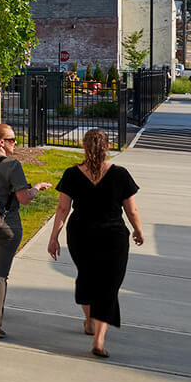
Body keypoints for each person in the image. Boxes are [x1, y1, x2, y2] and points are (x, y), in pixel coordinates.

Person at [47, 127, 143, 358]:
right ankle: (98, 339)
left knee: (88, 279)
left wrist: (54, 237)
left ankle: (90, 321)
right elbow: (131, 209)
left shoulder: (72, 174)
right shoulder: (120, 174)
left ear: (83, 146)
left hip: (81, 234)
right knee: (108, 286)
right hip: (113, 236)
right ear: (107, 147)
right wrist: (138, 229)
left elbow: (63, 209)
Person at [0, 122, 52, 338]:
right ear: (2, 142)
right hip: (6, 227)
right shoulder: (12, 166)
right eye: (13, 140)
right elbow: (23, 199)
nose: (16, 143)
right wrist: (36, 188)